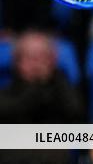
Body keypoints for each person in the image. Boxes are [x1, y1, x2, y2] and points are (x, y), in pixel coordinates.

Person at [0, 31, 86, 164]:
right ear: (16, 61)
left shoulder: (61, 88)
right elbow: (13, 109)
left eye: (43, 57)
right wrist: (37, 85)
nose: (36, 64)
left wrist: (55, 76)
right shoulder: (7, 93)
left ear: (53, 60)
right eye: (30, 57)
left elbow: (76, 112)